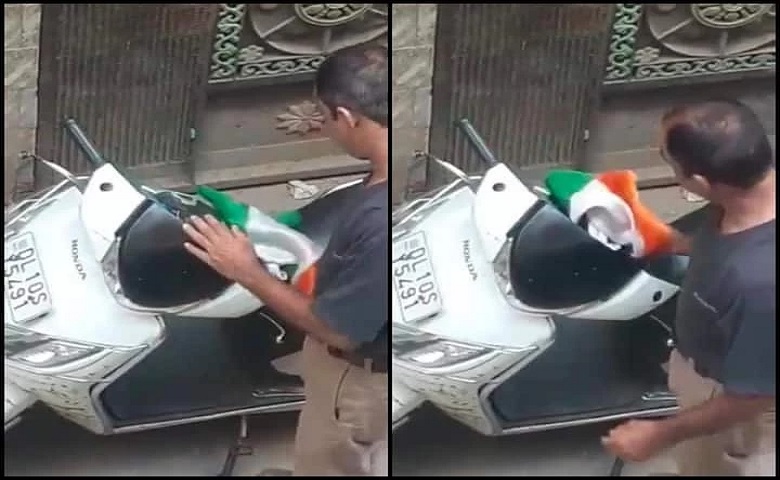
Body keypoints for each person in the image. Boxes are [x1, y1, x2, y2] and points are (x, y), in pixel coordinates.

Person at [181, 45, 389, 476]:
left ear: (347, 117)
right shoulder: (380, 177)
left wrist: (245, 270)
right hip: (343, 371)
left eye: (324, 116)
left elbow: (339, 330)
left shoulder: (379, 220)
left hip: (357, 380)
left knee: (333, 456)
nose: (326, 129)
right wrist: (273, 230)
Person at [602, 99, 775, 476]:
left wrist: (661, 434)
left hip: (735, 398)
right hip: (710, 363)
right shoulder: (748, 194)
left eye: (667, 159)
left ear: (699, 182)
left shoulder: (760, 285)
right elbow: (728, 243)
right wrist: (676, 242)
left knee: (712, 466)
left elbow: (753, 395)